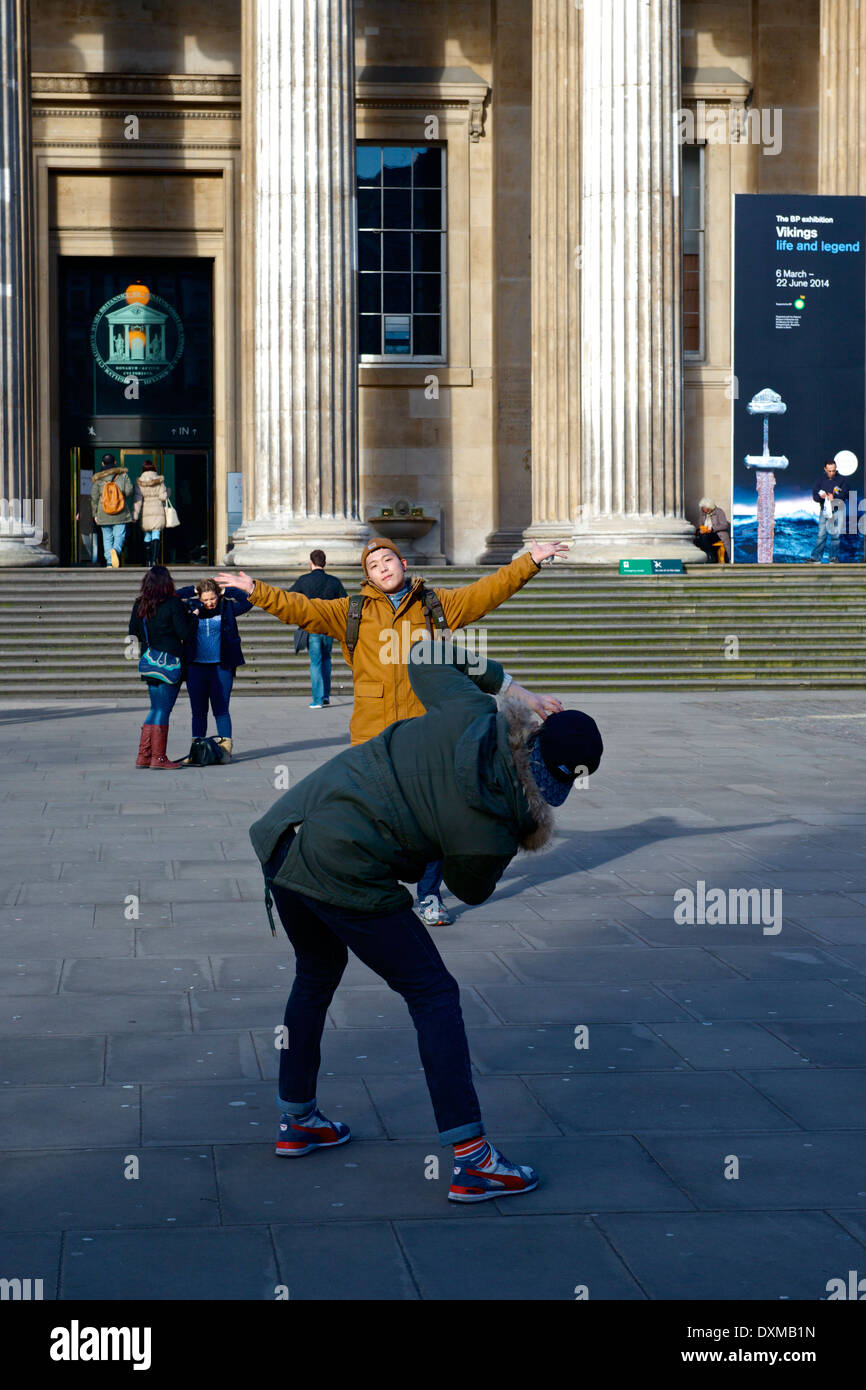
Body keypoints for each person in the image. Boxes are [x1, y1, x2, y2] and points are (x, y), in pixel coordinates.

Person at [251, 638, 603, 1202]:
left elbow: (423, 651)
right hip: (345, 866)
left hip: (288, 833)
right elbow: (470, 887)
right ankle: (473, 1159)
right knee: (433, 993)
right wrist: (517, 832)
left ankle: (298, 1120)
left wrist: (508, 687)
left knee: (315, 975)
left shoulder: (467, 710)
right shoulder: (495, 830)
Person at [215, 537, 567, 928]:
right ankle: (377, 888)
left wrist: (529, 561)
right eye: (373, 566)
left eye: (388, 560)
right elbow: (301, 609)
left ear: (402, 563)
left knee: (436, 818)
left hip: (427, 733)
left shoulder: (435, 604)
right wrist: (256, 590)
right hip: (374, 736)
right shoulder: (351, 611)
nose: (382, 568)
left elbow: (485, 592)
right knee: (374, 819)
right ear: (367, 576)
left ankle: (429, 896)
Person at [175, 577, 253, 761]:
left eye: (212, 599)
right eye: (205, 600)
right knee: (198, 711)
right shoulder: (190, 609)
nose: (209, 603)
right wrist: (193, 590)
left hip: (221, 666)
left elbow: (247, 601)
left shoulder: (226, 608)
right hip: (196, 667)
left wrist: (226, 591)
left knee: (221, 709)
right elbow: (173, 598)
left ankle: (225, 750)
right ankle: (197, 751)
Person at [128, 565, 197, 769]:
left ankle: (144, 756)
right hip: (170, 663)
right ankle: (158, 758)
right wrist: (193, 616)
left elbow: (134, 632)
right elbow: (185, 634)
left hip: (150, 661)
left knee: (156, 708)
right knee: (163, 710)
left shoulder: (140, 604)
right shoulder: (173, 604)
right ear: (167, 583)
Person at [289, 550, 347, 708]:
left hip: (312, 626)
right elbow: (345, 601)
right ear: (325, 563)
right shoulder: (334, 581)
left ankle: (318, 699)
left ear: (311, 562)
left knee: (316, 663)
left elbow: (289, 596)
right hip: (329, 627)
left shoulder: (304, 580)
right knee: (327, 661)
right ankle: (326, 696)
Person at [91, 453, 134, 567]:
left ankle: (109, 562)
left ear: (102, 463)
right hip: (120, 511)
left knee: (107, 538)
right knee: (119, 535)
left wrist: (94, 513)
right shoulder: (122, 475)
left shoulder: (98, 478)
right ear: (115, 463)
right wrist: (121, 495)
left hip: (104, 511)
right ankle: (115, 550)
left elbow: (94, 497)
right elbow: (129, 491)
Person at [810, 459, 849, 564]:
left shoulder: (842, 480)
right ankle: (815, 558)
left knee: (836, 536)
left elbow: (846, 495)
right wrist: (822, 497)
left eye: (833, 470)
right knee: (821, 535)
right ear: (825, 469)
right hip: (825, 510)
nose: (832, 473)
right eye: (829, 471)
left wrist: (834, 497)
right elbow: (814, 497)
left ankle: (833, 558)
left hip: (838, 511)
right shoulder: (820, 480)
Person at [132, 459, 170, 567]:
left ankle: (148, 561)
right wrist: (168, 492)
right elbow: (163, 497)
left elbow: (137, 500)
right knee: (156, 534)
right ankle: (154, 560)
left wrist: (134, 515)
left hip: (146, 511)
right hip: (157, 509)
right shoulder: (159, 480)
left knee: (147, 535)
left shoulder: (139, 482)